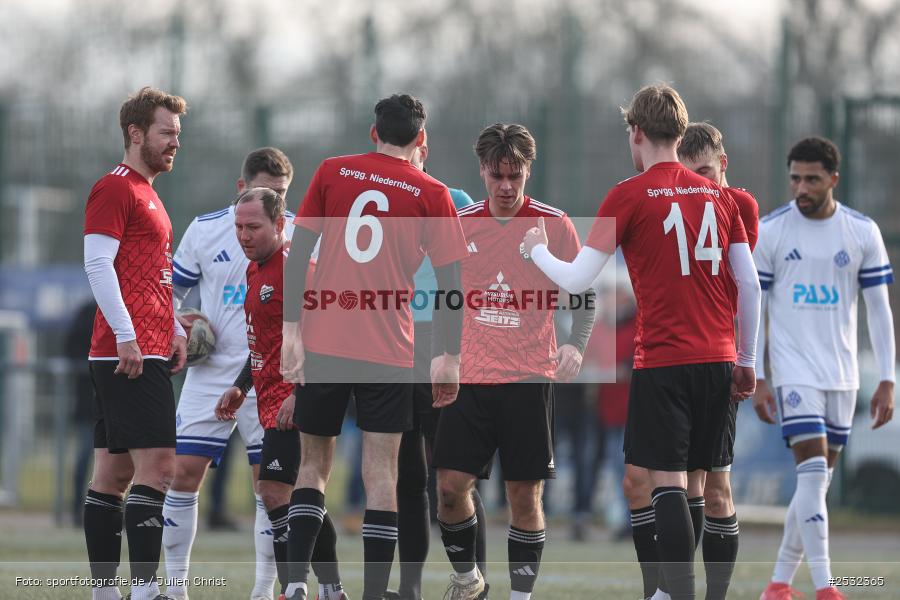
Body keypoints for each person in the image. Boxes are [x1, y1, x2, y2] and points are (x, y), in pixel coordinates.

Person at [522, 84, 761, 600]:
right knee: (702, 485)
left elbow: (578, 279)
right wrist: (747, 359)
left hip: (663, 361)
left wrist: (537, 251)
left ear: (635, 132)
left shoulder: (628, 194)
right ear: (680, 132)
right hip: (719, 359)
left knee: (669, 486)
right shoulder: (724, 197)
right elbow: (750, 285)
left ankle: (676, 594)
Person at [280, 93, 469, 600]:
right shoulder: (432, 192)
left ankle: (295, 585)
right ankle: (374, 594)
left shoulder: (332, 171)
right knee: (381, 472)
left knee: (313, 467)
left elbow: (298, 256)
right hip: (389, 347)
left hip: (325, 338)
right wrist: (449, 357)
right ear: (421, 140)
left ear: (373, 132)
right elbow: (452, 284)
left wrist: (291, 330)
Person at [432, 123, 596, 600]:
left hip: (528, 377)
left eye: (516, 175)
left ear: (528, 171)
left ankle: (520, 598)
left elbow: (584, 294)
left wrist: (575, 344)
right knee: (449, 489)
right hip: (469, 379)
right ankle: (468, 579)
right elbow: (444, 297)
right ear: (482, 170)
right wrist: (442, 355)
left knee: (525, 496)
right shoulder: (460, 225)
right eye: (498, 175)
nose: (507, 186)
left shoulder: (554, 225)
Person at [620, 121, 762, 600]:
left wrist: (748, 357)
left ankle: (695, 593)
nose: (699, 179)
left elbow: (736, 288)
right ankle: (659, 589)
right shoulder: (678, 198)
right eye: (689, 170)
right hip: (680, 354)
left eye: (706, 171)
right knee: (650, 483)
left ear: (723, 166)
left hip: (711, 356)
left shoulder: (734, 205)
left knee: (708, 486)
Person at [755, 137, 895, 600]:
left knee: (816, 484)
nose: (801, 187)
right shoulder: (772, 231)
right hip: (794, 372)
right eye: (795, 177)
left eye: (812, 179)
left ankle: (778, 583)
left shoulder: (861, 231)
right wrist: (756, 372)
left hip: (842, 375)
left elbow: (879, 311)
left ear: (833, 178)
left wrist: (888, 378)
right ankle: (826, 586)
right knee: (813, 476)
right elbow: (754, 308)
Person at [162, 147, 296, 600]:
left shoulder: (298, 235)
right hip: (212, 372)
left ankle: (264, 590)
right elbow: (171, 297)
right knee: (181, 472)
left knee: (270, 487)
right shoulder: (205, 229)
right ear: (242, 188)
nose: (275, 204)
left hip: (272, 377)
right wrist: (183, 327)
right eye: (265, 192)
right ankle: (176, 588)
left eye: (281, 195)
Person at [82, 86, 188, 600]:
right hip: (128, 352)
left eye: (177, 135)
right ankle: (145, 593)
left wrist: (177, 329)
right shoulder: (115, 188)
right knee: (161, 469)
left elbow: (152, 275)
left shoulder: (148, 192)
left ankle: (107, 594)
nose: (174, 143)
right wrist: (128, 335)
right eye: (166, 133)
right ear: (135, 133)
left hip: (140, 345)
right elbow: (98, 264)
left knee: (115, 472)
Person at [215, 187, 346, 600]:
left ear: (279, 224)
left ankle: (297, 588)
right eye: (238, 227)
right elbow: (265, 342)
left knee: (276, 492)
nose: (244, 235)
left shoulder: (296, 268)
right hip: (268, 398)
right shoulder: (254, 268)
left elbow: (329, 334)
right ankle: (330, 587)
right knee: (294, 496)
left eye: (253, 227)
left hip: (296, 401)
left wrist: (300, 393)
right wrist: (241, 385)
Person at [384, 134, 491, 600]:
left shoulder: (457, 201)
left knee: (455, 474)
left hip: (444, 342)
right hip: (396, 342)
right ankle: (409, 588)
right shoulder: (381, 206)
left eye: (411, 154)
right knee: (408, 476)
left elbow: (477, 274)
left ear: (423, 152)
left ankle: (476, 582)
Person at [66, 299, 99, 527]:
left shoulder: (131, 308)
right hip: (90, 403)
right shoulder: (87, 312)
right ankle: (78, 509)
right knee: (84, 456)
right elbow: (71, 350)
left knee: (123, 462)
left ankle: (117, 511)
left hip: (120, 403)